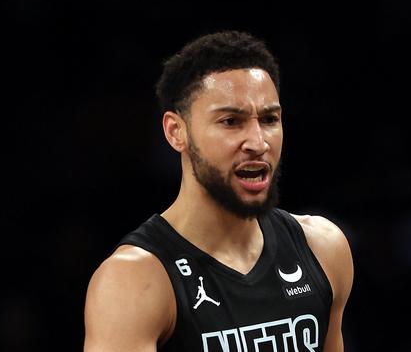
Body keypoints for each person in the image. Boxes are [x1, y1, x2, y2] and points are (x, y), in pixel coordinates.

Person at [83, 30, 354, 352]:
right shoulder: (135, 280)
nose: (258, 142)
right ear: (176, 132)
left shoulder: (323, 248)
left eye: (269, 119)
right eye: (230, 121)